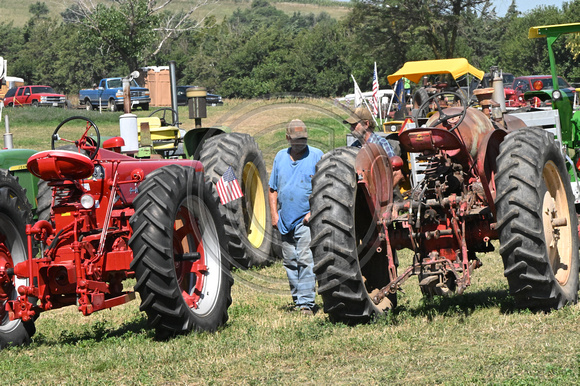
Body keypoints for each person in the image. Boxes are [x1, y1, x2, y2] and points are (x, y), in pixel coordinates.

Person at [269, 119, 323, 316]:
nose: (301, 143)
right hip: (285, 219)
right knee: (290, 261)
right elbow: (272, 189)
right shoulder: (280, 157)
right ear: (287, 138)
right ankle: (298, 299)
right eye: (296, 139)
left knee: (305, 259)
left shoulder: (317, 155)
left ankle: (306, 303)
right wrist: (274, 215)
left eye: (303, 139)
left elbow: (324, 189)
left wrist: (312, 213)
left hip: (305, 219)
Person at [344, 106, 404, 188]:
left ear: (366, 124)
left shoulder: (381, 144)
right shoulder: (354, 146)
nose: (351, 128)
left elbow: (397, 174)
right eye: (351, 125)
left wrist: (383, 196)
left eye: (354, 125)